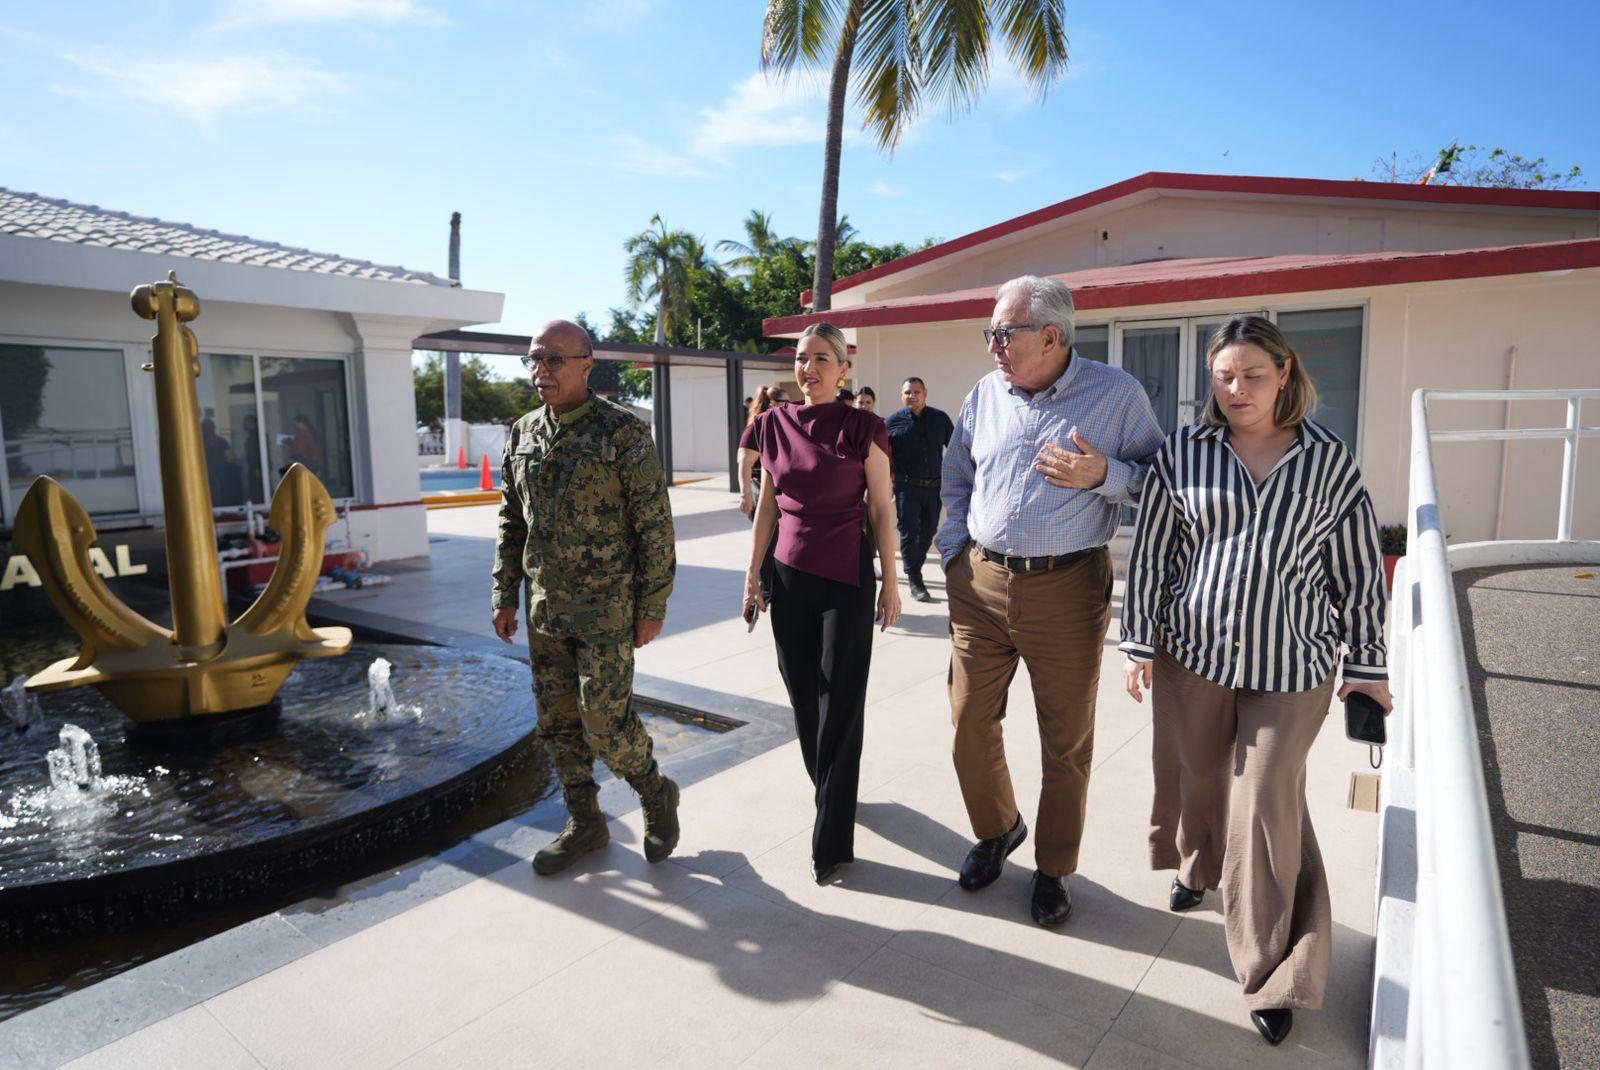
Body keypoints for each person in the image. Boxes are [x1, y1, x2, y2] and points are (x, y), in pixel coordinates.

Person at [1119, 314, 1389, 1047]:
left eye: (1252, 375)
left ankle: (1274, 970)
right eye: (1223, 377)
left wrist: (1367, 667)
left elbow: (1358, 569)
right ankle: (1199, 867)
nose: (1236, 389)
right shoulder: (1185, 451)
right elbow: (1154, 551)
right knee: (1199, 776)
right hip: (1193, 650)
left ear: (1284, 373)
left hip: (1293, 661)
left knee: (1267, 799)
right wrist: (1139, 642)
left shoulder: (1329, 461)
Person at [937, 275, 1164, 927]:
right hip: (980, 584)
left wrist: (1106, 475)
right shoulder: (985, 394)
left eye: (1003, 334)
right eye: (990, 333)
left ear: (1050, 336)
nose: (993, 347)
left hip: (1067, 588)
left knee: (1065, 741)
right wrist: (953, 551)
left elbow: (1164, 483)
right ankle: (998, 828)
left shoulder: (1116, 395)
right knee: (968, 722)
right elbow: (958, 473)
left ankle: (1054, 868)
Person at [492, 319, 682, 876]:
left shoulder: (622, 432)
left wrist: (653, 605)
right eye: (534, 359)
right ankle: (586, 822)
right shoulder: (523, 432)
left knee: (603, 722)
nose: (540, 371)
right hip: (544, 609)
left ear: (586, 365)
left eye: (553, 359)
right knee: (557, 724)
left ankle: (654, 790)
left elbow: (654, 525)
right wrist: (504, 591)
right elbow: (512, 519)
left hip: (606, 609)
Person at [741, 322, 901, 885]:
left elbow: (881, 508)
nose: (808, 368)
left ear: (843, 368)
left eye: (821, 359)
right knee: (803, 696)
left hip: (846, 577)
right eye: (801, 358)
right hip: (788, 577)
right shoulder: (771, 424)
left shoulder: (864, 427)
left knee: (840, 700)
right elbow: (767, 506)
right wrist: (752, 576)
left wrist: (891, 581)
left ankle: (830, 837)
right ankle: (832, 788)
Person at [884, 377, 954, 603]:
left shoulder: (940, 419)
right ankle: (914, 578)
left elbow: (955, 451)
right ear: (901, 395)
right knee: (908, 532)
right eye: (907, 392)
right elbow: (882, 457)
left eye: (916, 392)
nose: (912, 396)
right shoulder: (892, 423)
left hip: (934, 488)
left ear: (925, 393)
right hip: (906, 487)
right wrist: (886, 483)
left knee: (929, 531)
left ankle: (915, 567)